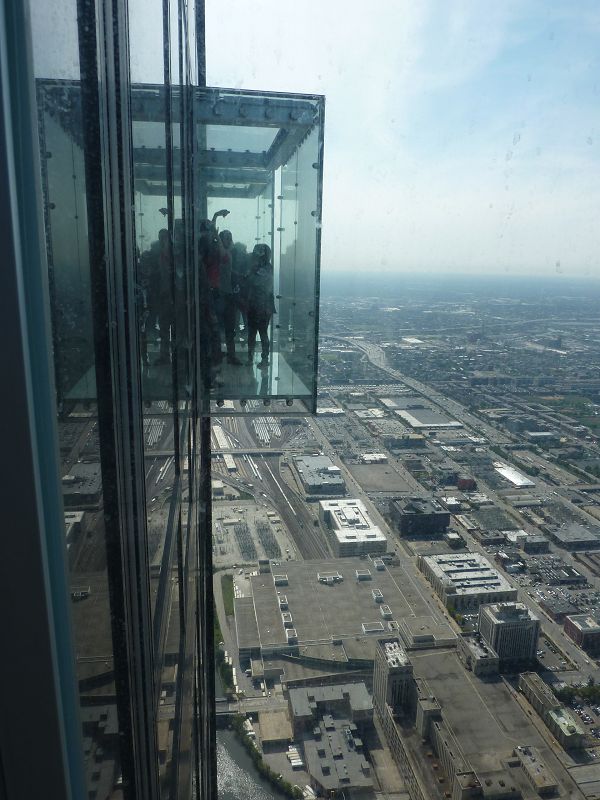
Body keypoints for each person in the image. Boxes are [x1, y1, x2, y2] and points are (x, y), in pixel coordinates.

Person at [245, 243, 275, 368]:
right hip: (256, 304)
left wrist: (250, 273)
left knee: (261, 333)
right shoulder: (263, 267)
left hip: (263, 305)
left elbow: (255, 282)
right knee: (253, 333)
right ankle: (252, 358)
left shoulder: (265, 268)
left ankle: (263, 359)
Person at [218, 229, 242, 365]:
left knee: (230, 328)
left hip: (228, 295)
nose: (228, 240)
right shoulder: (221, 254)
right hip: (219, 294)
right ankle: (218, 354)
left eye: (229, 238)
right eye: (225, 238)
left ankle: (230, 355)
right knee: (217, 328)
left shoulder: (232, 254)